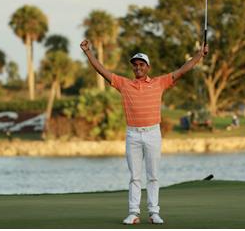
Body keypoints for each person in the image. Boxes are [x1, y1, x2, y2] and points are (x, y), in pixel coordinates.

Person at [80, 39, 209, 225]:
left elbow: (182, 70)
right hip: (133, 134)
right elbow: (102, 71)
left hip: (152, 133)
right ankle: (133, 213)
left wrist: (199, 55)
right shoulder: (123, 84)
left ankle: (154, 212)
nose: (138, 67)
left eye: (141, 64)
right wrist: (88, 52)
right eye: (135, 65)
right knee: (135, 176)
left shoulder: (159, 83)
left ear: (148, 67)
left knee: (153, 175)